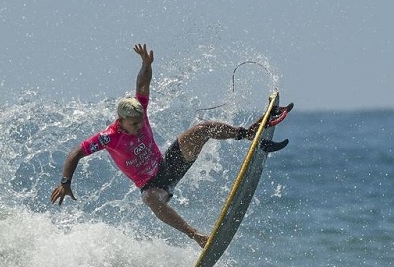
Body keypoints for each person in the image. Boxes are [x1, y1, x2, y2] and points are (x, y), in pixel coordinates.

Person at [50, 43, 290, 248]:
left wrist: (146, 65)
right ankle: (196, 236)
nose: (139, 126)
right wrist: (65, 183)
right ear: (120, 120)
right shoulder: (107, 137)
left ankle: (247, 133)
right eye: (133, 124)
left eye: (141, 120)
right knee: (150, 199)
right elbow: (76, 153)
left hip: (167, 166)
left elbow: (142, 86)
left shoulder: (139, 110)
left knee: (201, 130)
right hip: (152, 185)